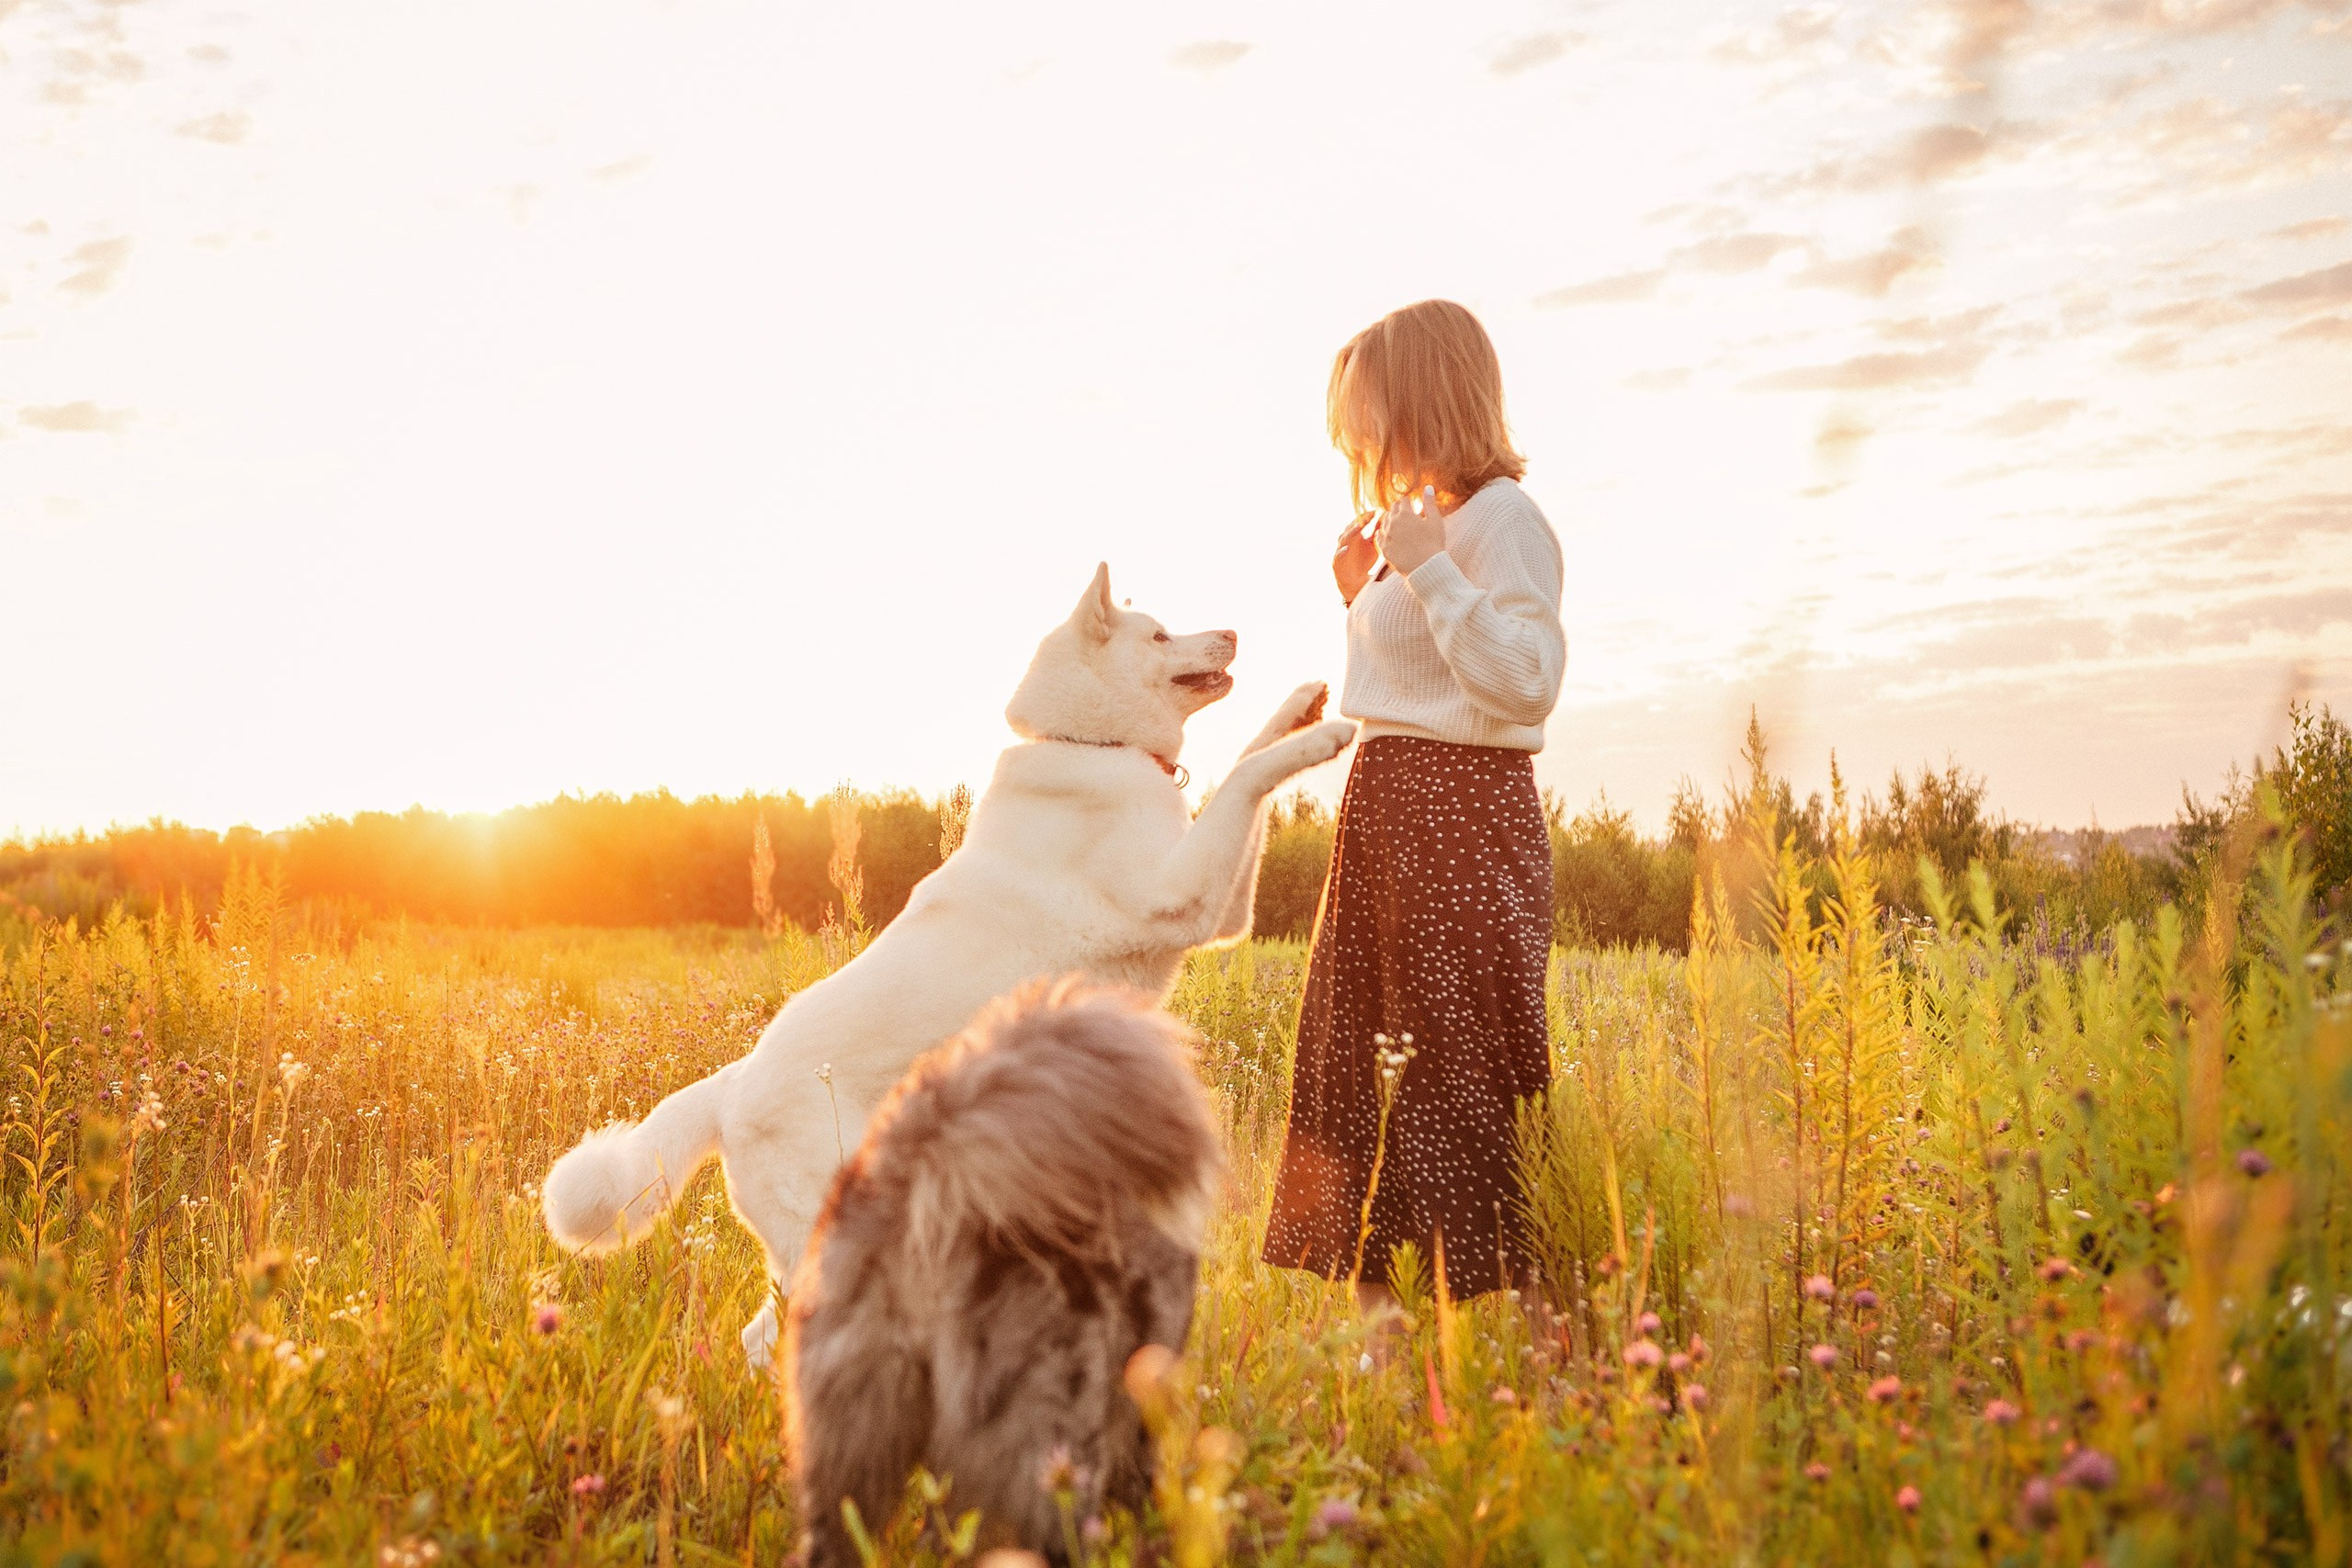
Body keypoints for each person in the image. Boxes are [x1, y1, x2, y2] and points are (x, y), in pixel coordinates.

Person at [1261, 299, 1566, 1318]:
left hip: (1461, 818)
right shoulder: (1419, 525)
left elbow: (1522, 682)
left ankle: (1520, 1332)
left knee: (1461, 1078)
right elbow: (1420, 676)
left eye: (1364, 410)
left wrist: (1429, 565)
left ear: (1420, 398)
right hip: (1389, 813)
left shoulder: (1499, 521)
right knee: (1365, 1067)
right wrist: (1363, 592)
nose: (1350, 436)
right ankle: (1384, 1352)